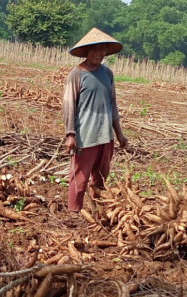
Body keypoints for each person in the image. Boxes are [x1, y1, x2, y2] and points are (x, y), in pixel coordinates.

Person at [63, 28, 128, 214]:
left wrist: (119, 134)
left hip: (106, 135)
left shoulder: (107, 74)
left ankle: (95, 210)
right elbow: (69, 106)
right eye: (95, 49)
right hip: (86, 136)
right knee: (79, 177)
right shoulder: (76, 74)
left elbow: (112, 105)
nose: (99, 54)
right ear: (86, 51)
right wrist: (70, 135)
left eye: (103, 50)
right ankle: (73, 213)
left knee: (100, 177)